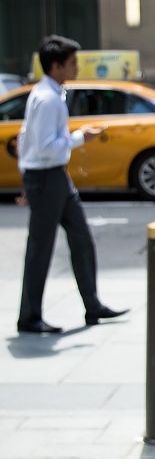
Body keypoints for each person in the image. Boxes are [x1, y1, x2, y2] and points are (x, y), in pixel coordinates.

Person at [16, 35, 127, 334]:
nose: (77, 67)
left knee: (81, 239)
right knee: (41, 249)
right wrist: (80, 138)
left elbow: (29, 141)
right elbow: (44, 147)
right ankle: (29, 317)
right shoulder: (47, 98)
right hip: (47, 176)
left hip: (52, 177)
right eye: (72, 63)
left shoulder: (51, 94)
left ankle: (92, 305)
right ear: (55, 66)